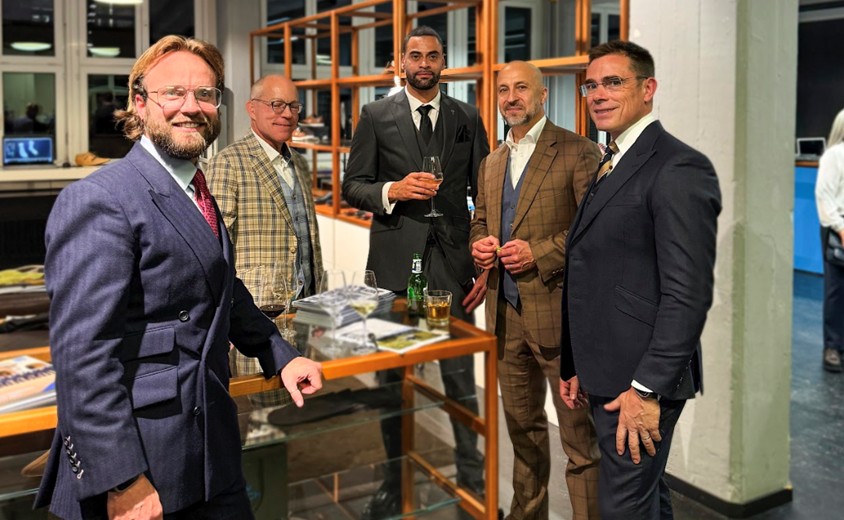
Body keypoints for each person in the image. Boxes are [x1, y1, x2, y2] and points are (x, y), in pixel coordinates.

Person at [34, 35, 323, 520]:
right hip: (142, 464)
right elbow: (83, 356)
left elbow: (222, 288)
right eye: (173, 92)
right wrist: (121, 478)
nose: (191, 107)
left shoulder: (194, 186)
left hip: (208, 448)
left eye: (205, 94)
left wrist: (278, 352)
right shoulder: (101, 198)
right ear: (139, 103)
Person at [559, 40, 721, 519]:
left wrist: (647, 390)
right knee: (646, 498)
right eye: (591, 85)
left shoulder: (677, 166)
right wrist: (575, 362)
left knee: (623, 507)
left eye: (613, 82)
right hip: (607, 370)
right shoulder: (613, 159)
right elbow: (595, 268)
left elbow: (688, 294)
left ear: (648, 89)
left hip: (639, 381)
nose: (598, 94)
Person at [342, 25, 489, 518]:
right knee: (393, 380)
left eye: (432, 55)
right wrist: (393, 191)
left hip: (453, 267)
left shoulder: (467, 117)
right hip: (394, 270)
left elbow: (484, 194)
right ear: (400, 62)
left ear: (443, 61)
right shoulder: (375, 115)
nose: (424, 63)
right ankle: (394, 478)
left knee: (460, 380)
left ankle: (473, 484)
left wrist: (483, 262)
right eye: (415, 56)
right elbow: (353, 186)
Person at [470, 60, 601, 519]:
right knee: (523, 434)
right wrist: (478, 246)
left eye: (521, 88)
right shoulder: (491, 163)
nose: (511, 98)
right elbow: (480, 221)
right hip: (504, 320)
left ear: (543, 95)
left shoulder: (578, 151)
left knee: (581, 444)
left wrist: (538, 253)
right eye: (503, 90)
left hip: (561, 323)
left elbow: (594, 233)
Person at [207, 74, 324, 406]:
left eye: (293, 106)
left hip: (303, 314)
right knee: (259, 414)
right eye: (276, 104)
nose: (286, 113)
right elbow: (215, 249)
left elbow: (305, 241)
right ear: (252, 109)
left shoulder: (300, 163)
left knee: (294, 406)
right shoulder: (228, 164)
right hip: (257, 319)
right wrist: (224, 320)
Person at [815, 108, 844, 373]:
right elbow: (825, 197)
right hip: (838, 227)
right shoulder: (834, 156)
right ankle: (833, 347)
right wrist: (841, 228)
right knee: (836, 289)